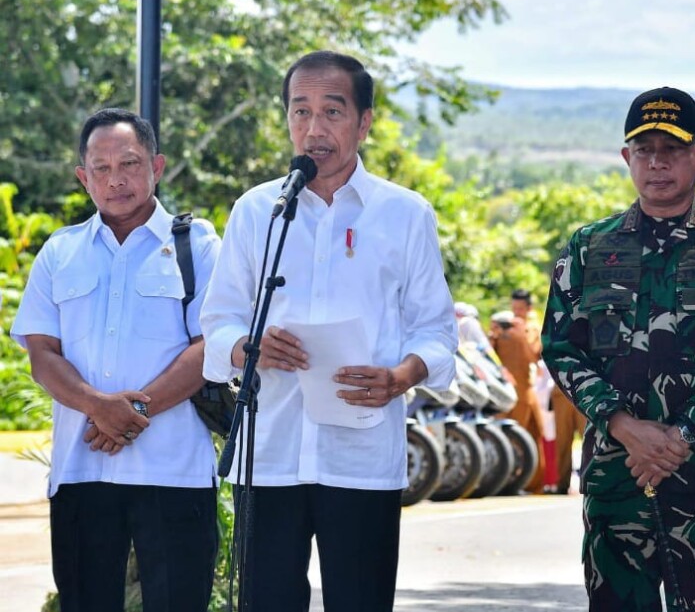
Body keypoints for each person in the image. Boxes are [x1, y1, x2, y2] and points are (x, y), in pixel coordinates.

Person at [199, 50, 457, 611]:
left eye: (332, 112)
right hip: (267, 458)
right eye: (300, 111)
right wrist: (249, 347)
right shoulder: (256, 211)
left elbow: (437, 333)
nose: (313, 129)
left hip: (361, 458)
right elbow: (216, 326)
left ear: (364, 121)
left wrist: (400, 376)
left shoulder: (405, 214)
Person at [541, 87, 695, 612]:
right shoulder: (589, 248)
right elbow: (561, 350)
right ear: (627, 158)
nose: (656, 163)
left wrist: (680, 437)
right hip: (616, 477)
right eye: (644, 150)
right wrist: (627, 428)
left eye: (671, 149)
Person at [11, 108, 220, 611]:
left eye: (129, 163)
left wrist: (132, 412)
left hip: (175, 473)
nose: (116, 179)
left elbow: (211, 345)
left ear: (158, 167)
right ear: (84, 178)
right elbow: (42, 354)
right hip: (82, 473)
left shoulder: (199, 246)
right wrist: (99, 405)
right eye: (100, 169)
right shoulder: (60, 252)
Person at [490, 303, 546, 493]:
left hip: (511, 397)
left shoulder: (499, 339)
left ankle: (510, 482)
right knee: (534, 437)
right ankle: (536, 484)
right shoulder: (523, 336)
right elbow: (535, 356)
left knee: (511, 440)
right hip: (529, 395)